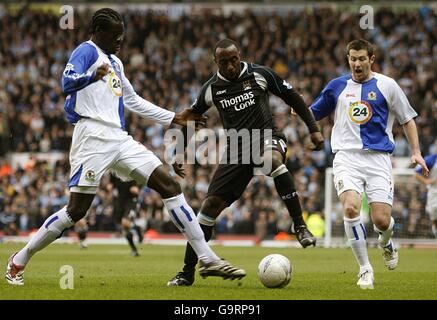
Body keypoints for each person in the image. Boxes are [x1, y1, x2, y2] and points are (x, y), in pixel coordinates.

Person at [5, 8, 245, 286]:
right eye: (115, 35)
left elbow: (133, 100)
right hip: (91, 137)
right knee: (76, 211)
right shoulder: (86, 51)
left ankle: (207, 258)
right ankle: (19, 259)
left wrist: (174, 116)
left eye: (122, 35)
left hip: (119, 137)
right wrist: (91, 77)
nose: (120, 39)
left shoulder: (115, 63)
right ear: (99, 32)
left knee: (169, 185)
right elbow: (66, 82)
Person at [167, 38, 324, 286]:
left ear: (239, 56)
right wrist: (178, 152)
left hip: (267, 138)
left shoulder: (260, 74)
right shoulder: (211, 88)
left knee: (270, 159)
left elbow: (292, 97)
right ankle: (186, 272)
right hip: (237, 150)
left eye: (233, 60)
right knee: (209, 207)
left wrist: (313, 129)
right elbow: (192, 117)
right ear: (215, 62)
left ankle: (299, 226)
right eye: (223, 62)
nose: (230, 66)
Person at [309, 39, 429, 289]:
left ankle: (386, 242)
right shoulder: (337, 86)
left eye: (362, 58)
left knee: (382, 221)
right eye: (353, 58)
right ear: (348, 59)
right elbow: (313, 112)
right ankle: (365, 269)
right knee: (351, 208)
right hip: (346, 157)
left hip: (378, 159)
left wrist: (416, 152)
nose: (357, 63)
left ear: (371, 59)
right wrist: (296, 107)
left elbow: (408, 119)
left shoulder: (388, 86)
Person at [415, 153, 437, 239]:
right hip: (434, 194)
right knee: (435, 221)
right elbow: (417, 173)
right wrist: (427, 181)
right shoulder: (431, 159)